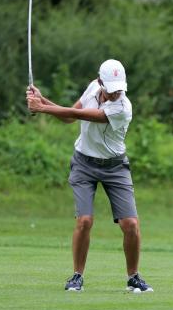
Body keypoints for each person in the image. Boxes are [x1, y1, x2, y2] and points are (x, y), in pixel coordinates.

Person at [26, 59, 153, 293]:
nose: (116, 94)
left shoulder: (122, 108)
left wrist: (42, 107)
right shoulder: (93, 87)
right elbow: (69, 117)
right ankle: (77, 276)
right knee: (84, 220)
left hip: (115, 167)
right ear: (100, 81)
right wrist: (42, 100)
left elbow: (85, 115)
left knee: (131, 224)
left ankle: (133, 277)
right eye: (112, 88)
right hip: (84, 163)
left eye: (119, 89)